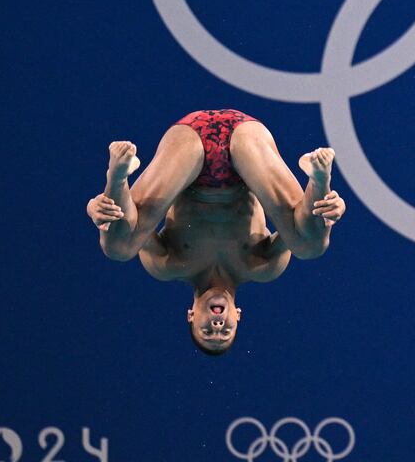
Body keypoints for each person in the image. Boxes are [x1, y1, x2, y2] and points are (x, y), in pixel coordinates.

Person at [85, 109, 345, 355]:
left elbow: (131, 228)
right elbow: (302, 227)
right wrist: (333, 209)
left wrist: (93, 207)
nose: (217, 326)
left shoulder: (168, 265)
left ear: (191, 314)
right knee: (309, 248)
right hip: (247, 145)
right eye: (226, 330)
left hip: (188, 147)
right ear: (238, 315)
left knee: (118, 249)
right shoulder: (262, 267)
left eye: (207, 330)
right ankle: (319, 181)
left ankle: (117, 178)